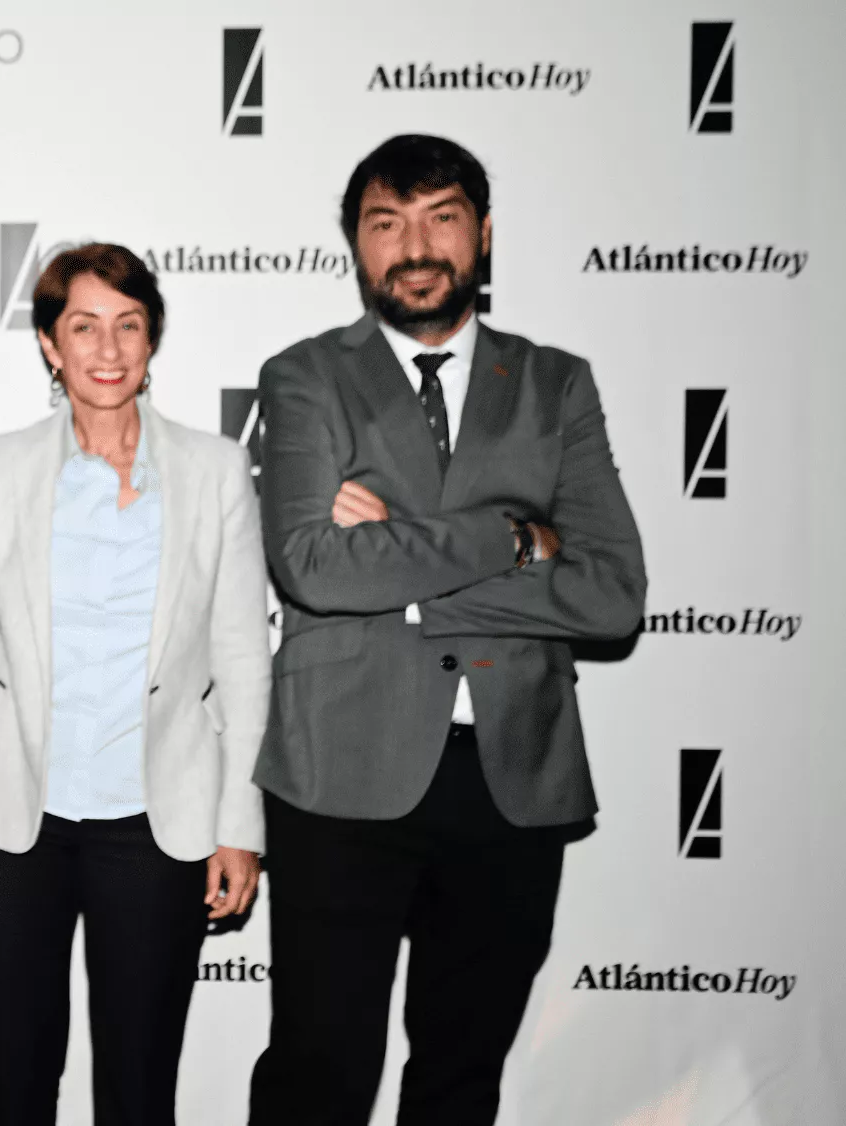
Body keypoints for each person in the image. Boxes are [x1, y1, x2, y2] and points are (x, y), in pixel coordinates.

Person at [245, 134, 647, 1126]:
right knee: (316, 1072)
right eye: (387, 224)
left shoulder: (556, 384)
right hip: (341, 769)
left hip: (513, 777)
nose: (414, 246)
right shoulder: (304, 376)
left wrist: (414, 574)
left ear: (484, 233)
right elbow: (313, 566)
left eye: (441, 219)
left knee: (463, 1077)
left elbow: (611, 594)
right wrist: (515, 535)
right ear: (356, 247)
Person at [0, 244, 270, 1126]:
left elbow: (243, 663)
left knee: (141, 1088)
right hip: (10, 823)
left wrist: (239, 826)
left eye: (128, 326)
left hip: (155, 823)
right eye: (83, 327)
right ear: (47, 344)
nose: (107, 350)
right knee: (17, 1084)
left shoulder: (217, 471)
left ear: (152, 342)